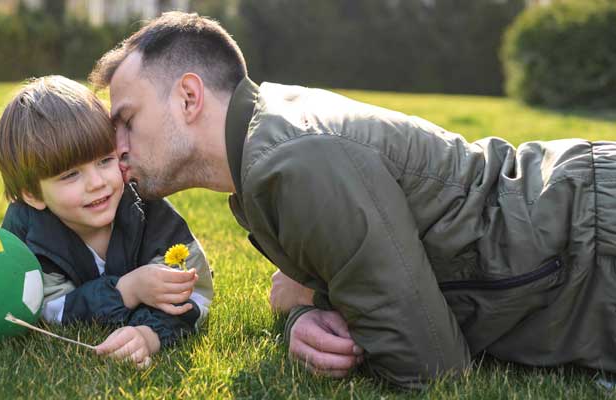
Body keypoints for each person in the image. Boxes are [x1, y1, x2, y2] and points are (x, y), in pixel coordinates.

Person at [88, 11, 616, 388]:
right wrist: (303, 314)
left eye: (127, 119)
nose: (116, 147)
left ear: (187, 97)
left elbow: (431, 366)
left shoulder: (289, 163)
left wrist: (300, 303)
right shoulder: (262, 148)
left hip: (594, 230)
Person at [0, 75, 214, 368]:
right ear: (32, 193)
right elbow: (47, 309)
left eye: (105, 161)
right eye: (71, 175)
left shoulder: (148, 209)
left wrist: (148, 334)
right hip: (9, 235)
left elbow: (195, 290)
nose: (97, 183)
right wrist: (125, 291)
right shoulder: (28, 237)